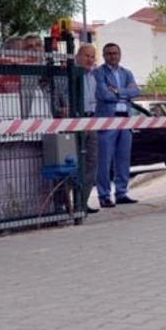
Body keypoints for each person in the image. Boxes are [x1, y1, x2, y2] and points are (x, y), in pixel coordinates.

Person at [94, 42, 141, 207]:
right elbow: (103, 95)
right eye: (109, 53)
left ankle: (121, 193)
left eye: (115, 53)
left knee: (123, 158)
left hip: (125, 119)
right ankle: (104, 196)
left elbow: (136, 91)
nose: (112, 56)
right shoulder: (99, 73)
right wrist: (125, 93)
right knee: (104, 160)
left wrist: (117, 91)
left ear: (120, 55)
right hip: (108, 120)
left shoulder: (126, 73)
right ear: (104, 56)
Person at [75, 43, 100, 214]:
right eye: (86, 56)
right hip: (76, 122)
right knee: (74, 163)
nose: (89, 60)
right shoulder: (70, 74)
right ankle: (68, 203)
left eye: (92, 57)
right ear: (78, 56)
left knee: (92, 162)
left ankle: (83, 202)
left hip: (92, 121)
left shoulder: (93, 77)